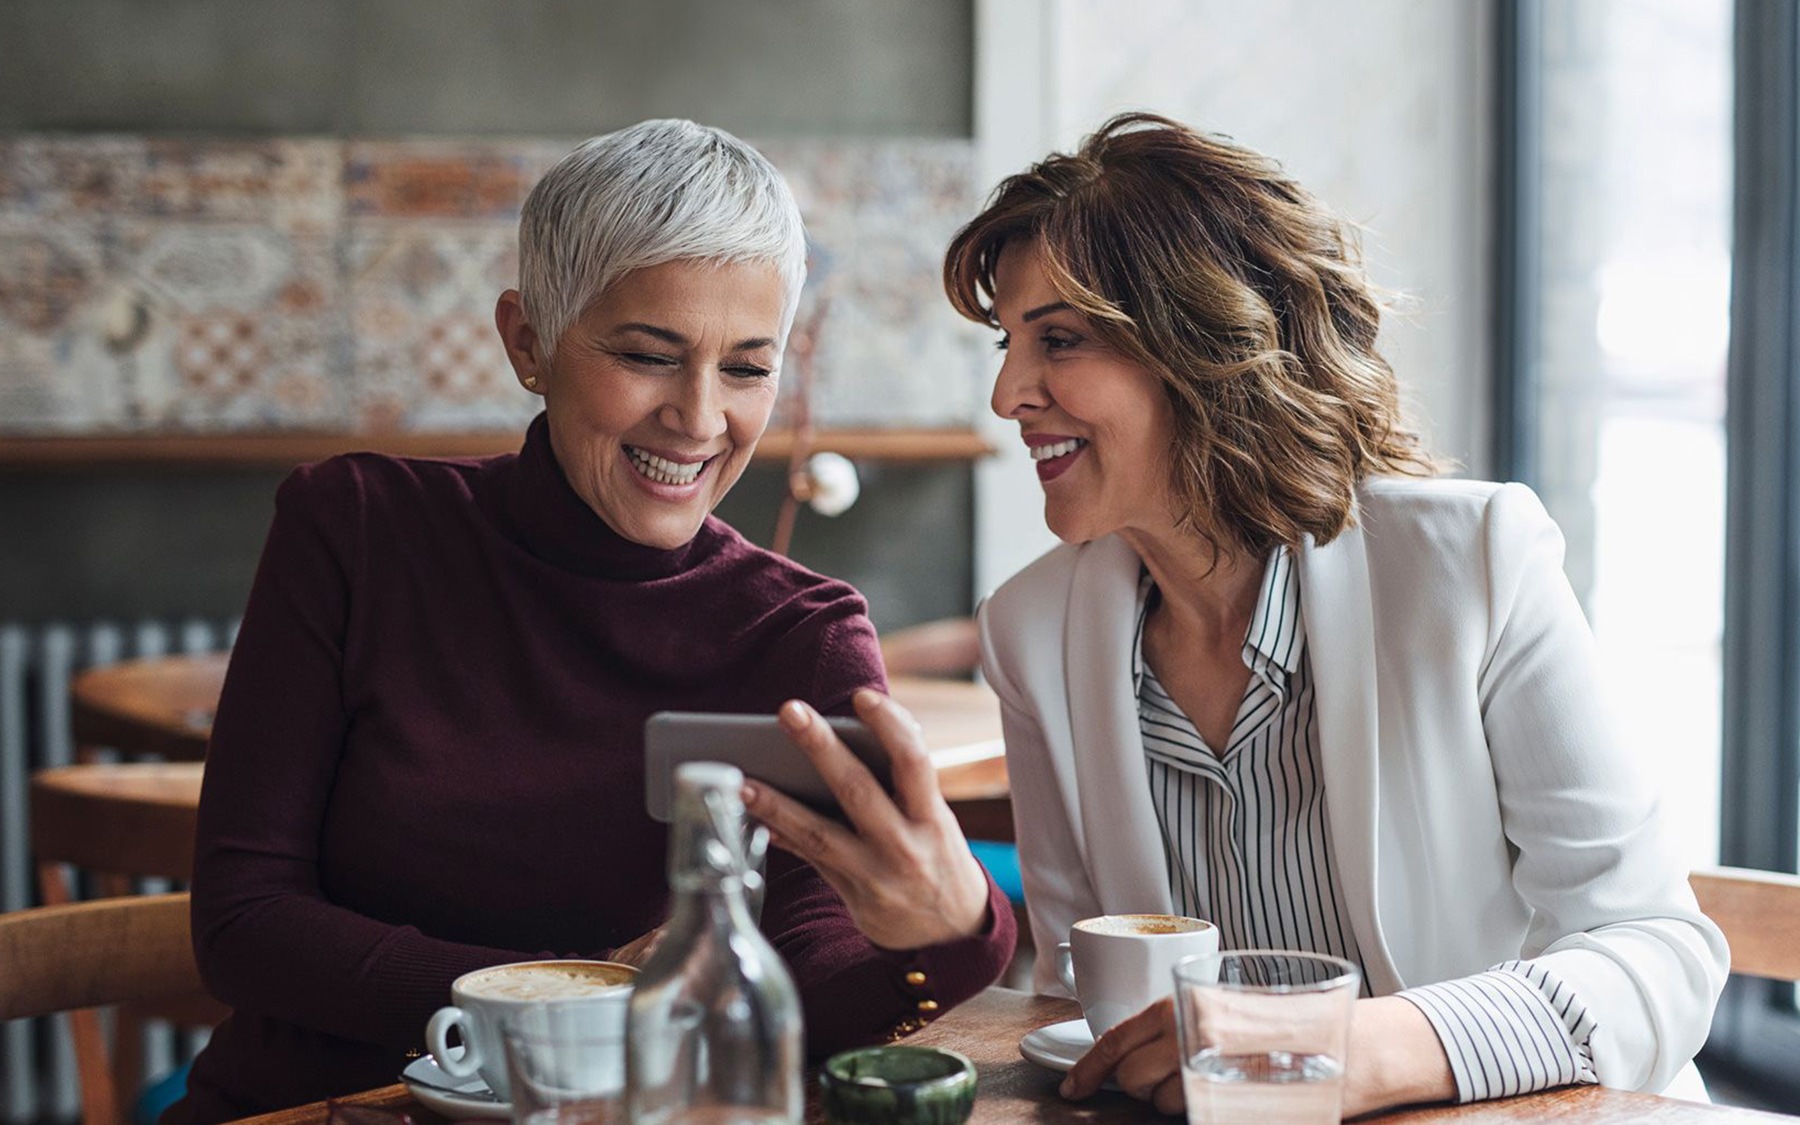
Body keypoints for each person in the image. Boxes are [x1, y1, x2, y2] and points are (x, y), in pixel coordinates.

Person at [168, 119, 1013, 1124]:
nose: (700, 419)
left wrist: (957, 927)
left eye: (746, 368)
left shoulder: (802, 633)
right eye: (650, 356)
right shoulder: (354, 528)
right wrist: (576, 994)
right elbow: (244, 923)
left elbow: (808, 974)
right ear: (528, 340)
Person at [944, 113, 1727, 1118]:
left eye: (1060, 340)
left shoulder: (1475, 563)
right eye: (1008, 346)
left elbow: (1660, 955)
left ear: (1206, 345)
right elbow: (1073, 992)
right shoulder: (1030, 632)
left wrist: (1349, 1048)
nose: (1010, 393)